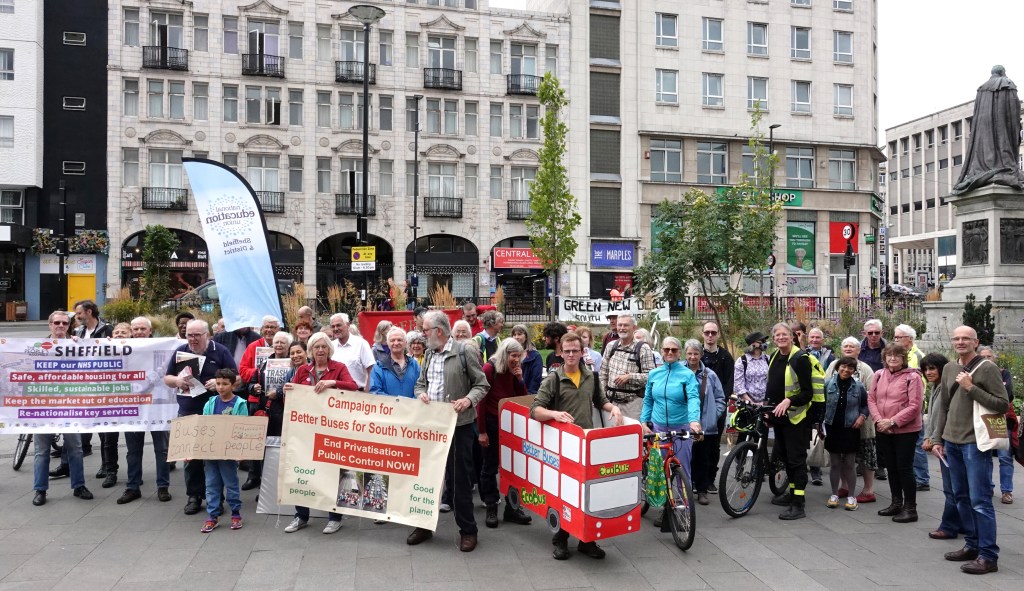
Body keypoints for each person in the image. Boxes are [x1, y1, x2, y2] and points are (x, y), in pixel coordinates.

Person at [531, 332, 623, 560]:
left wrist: (613, 408)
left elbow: (600, 400)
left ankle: (586, 540)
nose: (571, 355)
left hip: (585, 443)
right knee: (564, 494)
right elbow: (535, 410)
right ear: (561, 352)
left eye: (576, 350)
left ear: (583, 352)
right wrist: (554, 413)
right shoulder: (553, 378)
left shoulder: (591, 376)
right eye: (567, 351)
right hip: (561, 445)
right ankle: (560, 540)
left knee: (586, 493)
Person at [931, 326, 1010, 575]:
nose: (961, 342)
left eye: (966, 338)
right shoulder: (949, 368)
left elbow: (1002, 403)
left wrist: (970, 387)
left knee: (980, 501)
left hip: (975, 444)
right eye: (956, 338)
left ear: (976, 342)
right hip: (951, 442)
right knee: (961, 497)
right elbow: (943, 406)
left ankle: (988, 556)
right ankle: (972, 545)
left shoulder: (987, 368)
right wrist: (937, 438)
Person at [409, 311, 490, 552]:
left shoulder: (464, 351)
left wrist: (467, 400)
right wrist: (419, 393)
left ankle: (468, 530)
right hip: (430, 426)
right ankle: (423, 525)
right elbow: (420, 383)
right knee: (426, 477)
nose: (423, 335)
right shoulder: (430, 354)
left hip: (458, 426)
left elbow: (482, 384)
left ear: (439, 332)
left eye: (426, 330)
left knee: (459, 479)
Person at [283, 332, 360, 534]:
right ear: (310, 350)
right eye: (316, 347)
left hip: (332, 429)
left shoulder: (339, 368)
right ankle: (301, 515)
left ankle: (335, 517)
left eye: (323, 347)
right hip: (307, 430)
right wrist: (288, 391)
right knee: (303, 471)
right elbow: (292, 400)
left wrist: (332, 383)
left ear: (329, 349)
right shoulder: (302, 370)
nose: (320, 350)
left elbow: (353, 387)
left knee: (332, 472)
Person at [163, 319, 238, 516]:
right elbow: (167, 378)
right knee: (191, 457)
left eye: (197, 335)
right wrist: (177, 381)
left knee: (215, 457)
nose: (193, 339)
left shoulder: (220, 350)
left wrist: (219, 381)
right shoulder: (181, 352)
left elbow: (237, 378)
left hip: (216, 411)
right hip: (189, 410)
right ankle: (194, 496)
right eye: (189, 335)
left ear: (207, 335)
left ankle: (217, 499)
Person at [32, 311, 93, 506]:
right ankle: (40, 490)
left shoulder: (77, 344)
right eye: (56, 322)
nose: (60, 326)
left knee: (75, 448)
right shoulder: (36, 347)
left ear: (69, 326)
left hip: (71, 406)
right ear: (49, 325)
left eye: (64, 323)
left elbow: (94, 363)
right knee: (41, 451)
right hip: (45, 406)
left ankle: (79, 485)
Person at [641, 337, 702, 524]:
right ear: (661, 350)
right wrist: (644, 421)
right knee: (661, 469)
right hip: (658, 427)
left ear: (679, 353)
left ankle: (686, 511)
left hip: (681, 426)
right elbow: (648, 399)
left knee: (682, 469)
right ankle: (667, 507)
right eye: (666, 349)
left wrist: (694, 422)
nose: (669, 353)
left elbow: (693, 398)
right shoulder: (654, 374)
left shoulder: (687, 375)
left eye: (674, 350)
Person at [477, 338, 533, 528]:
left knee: (513, 468)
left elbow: (522, 398)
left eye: (519, 355)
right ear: (505, 354)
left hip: (510, 425)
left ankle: (512, 507)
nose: (516, 359)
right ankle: (491, 506)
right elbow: (481, 403)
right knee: (489, 467)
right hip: (492, 424)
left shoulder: (514, 370)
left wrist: (519, 379)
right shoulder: (489, 369)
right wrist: (482, 431)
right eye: (513, 355)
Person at [117, 316, 172, 505]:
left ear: (150, 331)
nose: (139, 332)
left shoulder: (162, 347)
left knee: (162, 449)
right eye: (136, 329)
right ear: (131, 331)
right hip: (133, 406)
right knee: (133, 450)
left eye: (143, 329)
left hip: (158, 406)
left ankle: (163, 487)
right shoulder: (122, 349)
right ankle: (132, 487)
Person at [869, 343, 924, 523]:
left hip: (905, 430)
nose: (892, 358)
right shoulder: (878, 375)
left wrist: (892, 421)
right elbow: (871, 399)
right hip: (884, 428)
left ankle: (910, 508)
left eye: (897, 356)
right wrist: (878, 420)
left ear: (904, 358)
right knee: (891, 467)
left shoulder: (913, 377)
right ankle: (896, 502)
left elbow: (915, 405)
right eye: (889, 355)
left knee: (904, 468)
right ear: (884, 358)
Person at [766, 323, 815, 520]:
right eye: (777, 335)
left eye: (784, 334)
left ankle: (798, 504)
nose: (781, 337)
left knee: (796, 460)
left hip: (796, 418)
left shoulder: (800, 359)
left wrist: (789, 401)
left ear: (793, 336)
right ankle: (792, 493)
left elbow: (807, 393)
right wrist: (768, 410)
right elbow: (772, 386)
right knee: (786, 458)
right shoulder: (774, 356)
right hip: (779, 418)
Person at [826, 337, 879, 504]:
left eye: (852, 346)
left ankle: (868, 489)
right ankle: (844, 486)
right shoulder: (833, 366)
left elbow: (871, 396)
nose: (848, 348)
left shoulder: (865, 369)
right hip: (836, 423)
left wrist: (863, 416)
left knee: (865, 456)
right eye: (845, 346)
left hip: (860, 423)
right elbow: (824, 392)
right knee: (839, 459)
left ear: (859, 350)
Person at [242, 330, 293, 491]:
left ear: (288, 346)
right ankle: (259, 480)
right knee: (260, 446)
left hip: (284, 410)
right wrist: (253, 388)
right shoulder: (264, 363)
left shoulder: (293, 363)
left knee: (279, 448)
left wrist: (278, 393)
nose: (278, 345)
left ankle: (277, 485)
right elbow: (251, 384)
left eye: (282, 343)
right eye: (276, 342)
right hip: (265, 410)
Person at [920, 353, 963, 540]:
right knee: (955, 488)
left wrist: (936, 439)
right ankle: (961, 523)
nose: (928, 372)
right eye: (926, 369)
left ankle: (949, 526)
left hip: (948, 443)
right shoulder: (936, 387)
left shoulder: (946, 387)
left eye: (932, 368)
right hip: (941, 441)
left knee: (952, 488)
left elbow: (944, 417)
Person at [200, 368, 247, 533]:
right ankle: (212, 516)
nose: (220, 387)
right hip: (211, 452)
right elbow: (203, 427)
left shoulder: (240, 404)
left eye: (225, 384)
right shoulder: (210, 403)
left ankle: (235, 513)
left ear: (233, 385)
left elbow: (242, 429)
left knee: (231, 483)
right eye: (218, 383)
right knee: (211, 484)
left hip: (228, 452)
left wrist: (240, 451)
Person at [823, 357, 869, 511]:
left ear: (854, 370)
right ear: (838, 367)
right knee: (835, 463)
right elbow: (821, 405)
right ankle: (834, 494)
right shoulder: (828, 384)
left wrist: (862, 417)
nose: (846, 370)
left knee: (849, 463)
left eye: (850, 368)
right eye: (843, 366)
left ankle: (851, 496)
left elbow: (865, 406)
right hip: (832, 427)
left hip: (851, 428)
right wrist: (818, 424)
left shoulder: (859, 386)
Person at [683, 339, 726, 505]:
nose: (693, 357)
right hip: (683, 423)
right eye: (689, 353)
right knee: (685, 459)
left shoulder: (710, 375)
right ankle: (685, 489)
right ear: (685, 354)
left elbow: (721, 398)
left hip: (703, 426)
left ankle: (701, 490)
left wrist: (713, 416)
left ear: (701, 354)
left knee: (702, 458)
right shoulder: (679, 371)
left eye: (695, 353)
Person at [74, 299, 113, 461]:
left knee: (103, 425)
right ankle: (85, 447)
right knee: (84, 417)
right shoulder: (79, 331)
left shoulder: (106, 329)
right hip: (85, 382)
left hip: (102, 382)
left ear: (89, 312)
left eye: (79, 313)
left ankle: (106, 464)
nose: (77, 317)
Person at [600, 314, 656, 421]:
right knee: (610, 435)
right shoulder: (611, 346)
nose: (622, 328)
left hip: (633, 404)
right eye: (619, 325)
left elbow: (651, 377)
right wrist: (603, 399)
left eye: (625, 325)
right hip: (611, 402)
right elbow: (603, 374)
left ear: (634, 328)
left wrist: (630, 377)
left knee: (632, 435)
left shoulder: (643, 348)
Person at [977, 346, 1015, 504]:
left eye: (989, 356)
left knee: (1005, 457)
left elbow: (1007, 395)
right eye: (983, 356)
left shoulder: (1003, 373)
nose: (986, 359)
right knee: (985, 456)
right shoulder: (976, 373)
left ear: (994, 358)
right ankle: (989, 487)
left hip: (1001, 419)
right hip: (983, 420)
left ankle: (1007, 491)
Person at [701, 321, 734, 491]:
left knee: (713, 444)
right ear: (702, 334)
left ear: (718, 335)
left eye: (713, 332)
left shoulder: (725, 357)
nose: (710, 336)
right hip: (697, 407)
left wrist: (719, 408)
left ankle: (710, 479)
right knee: (696, 443)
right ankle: (696, 478)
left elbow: (729, 383)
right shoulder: (696, 353)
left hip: (717, 407)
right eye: (707, 332)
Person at [859, 319, 888, 481]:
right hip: (862, 394)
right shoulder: (859, 348)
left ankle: (880, 466)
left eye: (877, 332)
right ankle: (861, 462)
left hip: (882, 395)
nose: (874, 335)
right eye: (870, 333)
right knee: (861, 428)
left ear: (882, 333)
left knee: (880, 431)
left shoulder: (887, 349)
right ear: (864, 334)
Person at [328, 313, 375, 392]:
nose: (335, 329)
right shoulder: (331, 346)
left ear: (348, 325)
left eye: (339, 325)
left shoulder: (361, 344)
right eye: (333, 326)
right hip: (334, 395)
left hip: (356, 395)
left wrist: (367, 392)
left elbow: (371, 369)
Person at [370, 326, 420, 398]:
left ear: (405, 343)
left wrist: (409, 404)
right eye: (392, 340)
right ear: (388, 344)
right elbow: (375, 391)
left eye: (399, 340)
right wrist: (397, 402)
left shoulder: (414, 365)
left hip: (412, 408)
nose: (396, 343)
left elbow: (420, 388)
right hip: (388, 408)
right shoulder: (379, 367)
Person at [238, 316, 282, 385]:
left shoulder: (285, 346)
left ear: (278, 329)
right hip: (256, 391)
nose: (269, 330)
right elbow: (243, 371)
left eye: (272, 327)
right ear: (262, 329)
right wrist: (259, 373)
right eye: (266, 327)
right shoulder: (252, 347)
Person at [734, 332, 769, 405]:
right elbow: (738, 386)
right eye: (762, 341)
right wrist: (751, 403)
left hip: (766, 404)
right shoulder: (742, 361)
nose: (764, 343)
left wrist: (765, 403)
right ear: (753, 344)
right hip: (748, 406)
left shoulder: (768, 359)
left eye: (764, 341)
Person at [511, 324, 543, 394]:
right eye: (514, 334)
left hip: (527, 394)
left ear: (526, 336)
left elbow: (535, 380)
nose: (516, 337)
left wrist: (528, 395)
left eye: (519, 334)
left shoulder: (535, 356)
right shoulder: (507, 354)